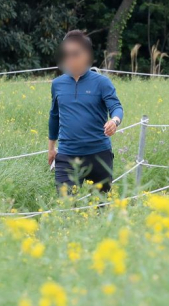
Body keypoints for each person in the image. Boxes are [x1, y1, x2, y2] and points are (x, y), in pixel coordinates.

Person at [48, 30, 124, 192]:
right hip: (67, 155)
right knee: (65, 204)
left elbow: (116, 107)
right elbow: (54, 116)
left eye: (75, 53)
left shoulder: (102, 82)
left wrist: (114, 121)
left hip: (99, 155)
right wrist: (51, 148)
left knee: (100, 203)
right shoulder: (57, 84)